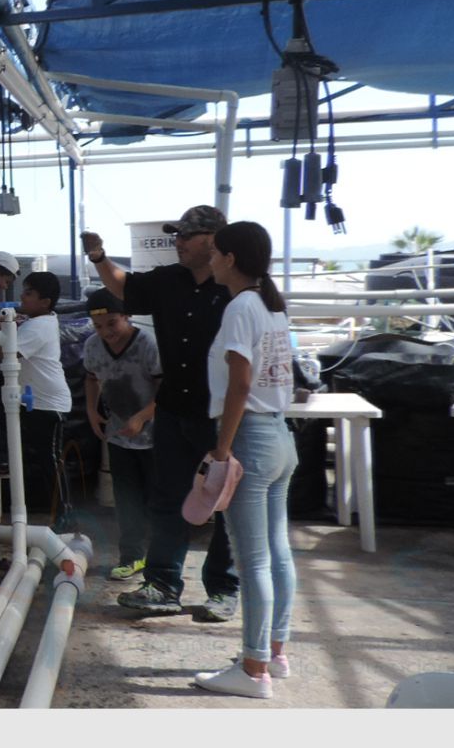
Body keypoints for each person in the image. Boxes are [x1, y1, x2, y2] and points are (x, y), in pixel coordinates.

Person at [82, 205, 239, 621]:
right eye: (176, 234)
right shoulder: (169, 280)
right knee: (167, 499)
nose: (178, 242)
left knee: (225, 503)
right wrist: (98, 257)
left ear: (213, 240)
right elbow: (124, 285)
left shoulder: (237, 289)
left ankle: (224, 589)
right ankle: (162, 585)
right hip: (173, 410)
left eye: (186, 235)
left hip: (218, 415)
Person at [191, 221, 298, 699]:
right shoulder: (271, 305)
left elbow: (239, 383)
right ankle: (274, 652)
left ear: (231, 258)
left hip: (250, 438)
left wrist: (222, 448)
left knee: (252, 559)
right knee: (277, 551)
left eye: (215, 252)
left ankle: (253, 670)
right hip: (280, 435)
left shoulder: (240, 307)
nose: (210, 260)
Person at [80, 288, 161, 581]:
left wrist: (141, 417)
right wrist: (91, 410)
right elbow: (91, 378)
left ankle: (161, 559)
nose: (106, 332)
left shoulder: (147, 344)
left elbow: (165, 390)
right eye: (98, 326)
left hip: (155, 437)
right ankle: (131, 556)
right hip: (118, 436)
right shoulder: (92, 346)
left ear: (127, 316)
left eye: (112, 323)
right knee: (126, 499)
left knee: (157, 499)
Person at [0, 271, 72, 523]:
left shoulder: (39, 326)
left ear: (45, 302)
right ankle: (56, 514)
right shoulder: (39, 320)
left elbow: (6, 352)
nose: (22, 298)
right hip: (35, 401)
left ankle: (65, 516)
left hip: (48, 404)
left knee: (51, 461)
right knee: (41, 459)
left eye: (28, 293)